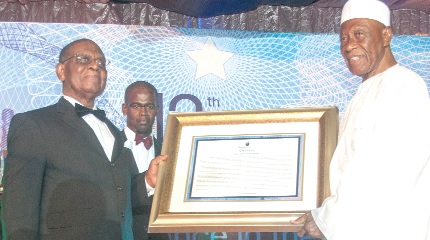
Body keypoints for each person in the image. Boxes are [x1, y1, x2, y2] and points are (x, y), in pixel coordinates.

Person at [1, 38, 166, 240]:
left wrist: (147, 181)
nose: (94, 66)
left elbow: (121, 195)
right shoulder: (33, 124)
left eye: (101, 63)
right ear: (61, 71)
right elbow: (19, 208)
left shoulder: (113, 131)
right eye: (83, 58)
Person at [292, 0, 430, 239]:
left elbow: (382, 171)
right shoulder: (366, 90)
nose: (349, 46)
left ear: (386, 35)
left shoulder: (403, 85)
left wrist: (327, 217)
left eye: (359, 34)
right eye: (343, 39)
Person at [121, 81, 169, 240]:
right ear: (124, 109)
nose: (143, 112)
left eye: (149, 106)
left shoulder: (167, 151)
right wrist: (146, 183)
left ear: (157, 110)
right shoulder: (110, 147)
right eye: (136, 106)